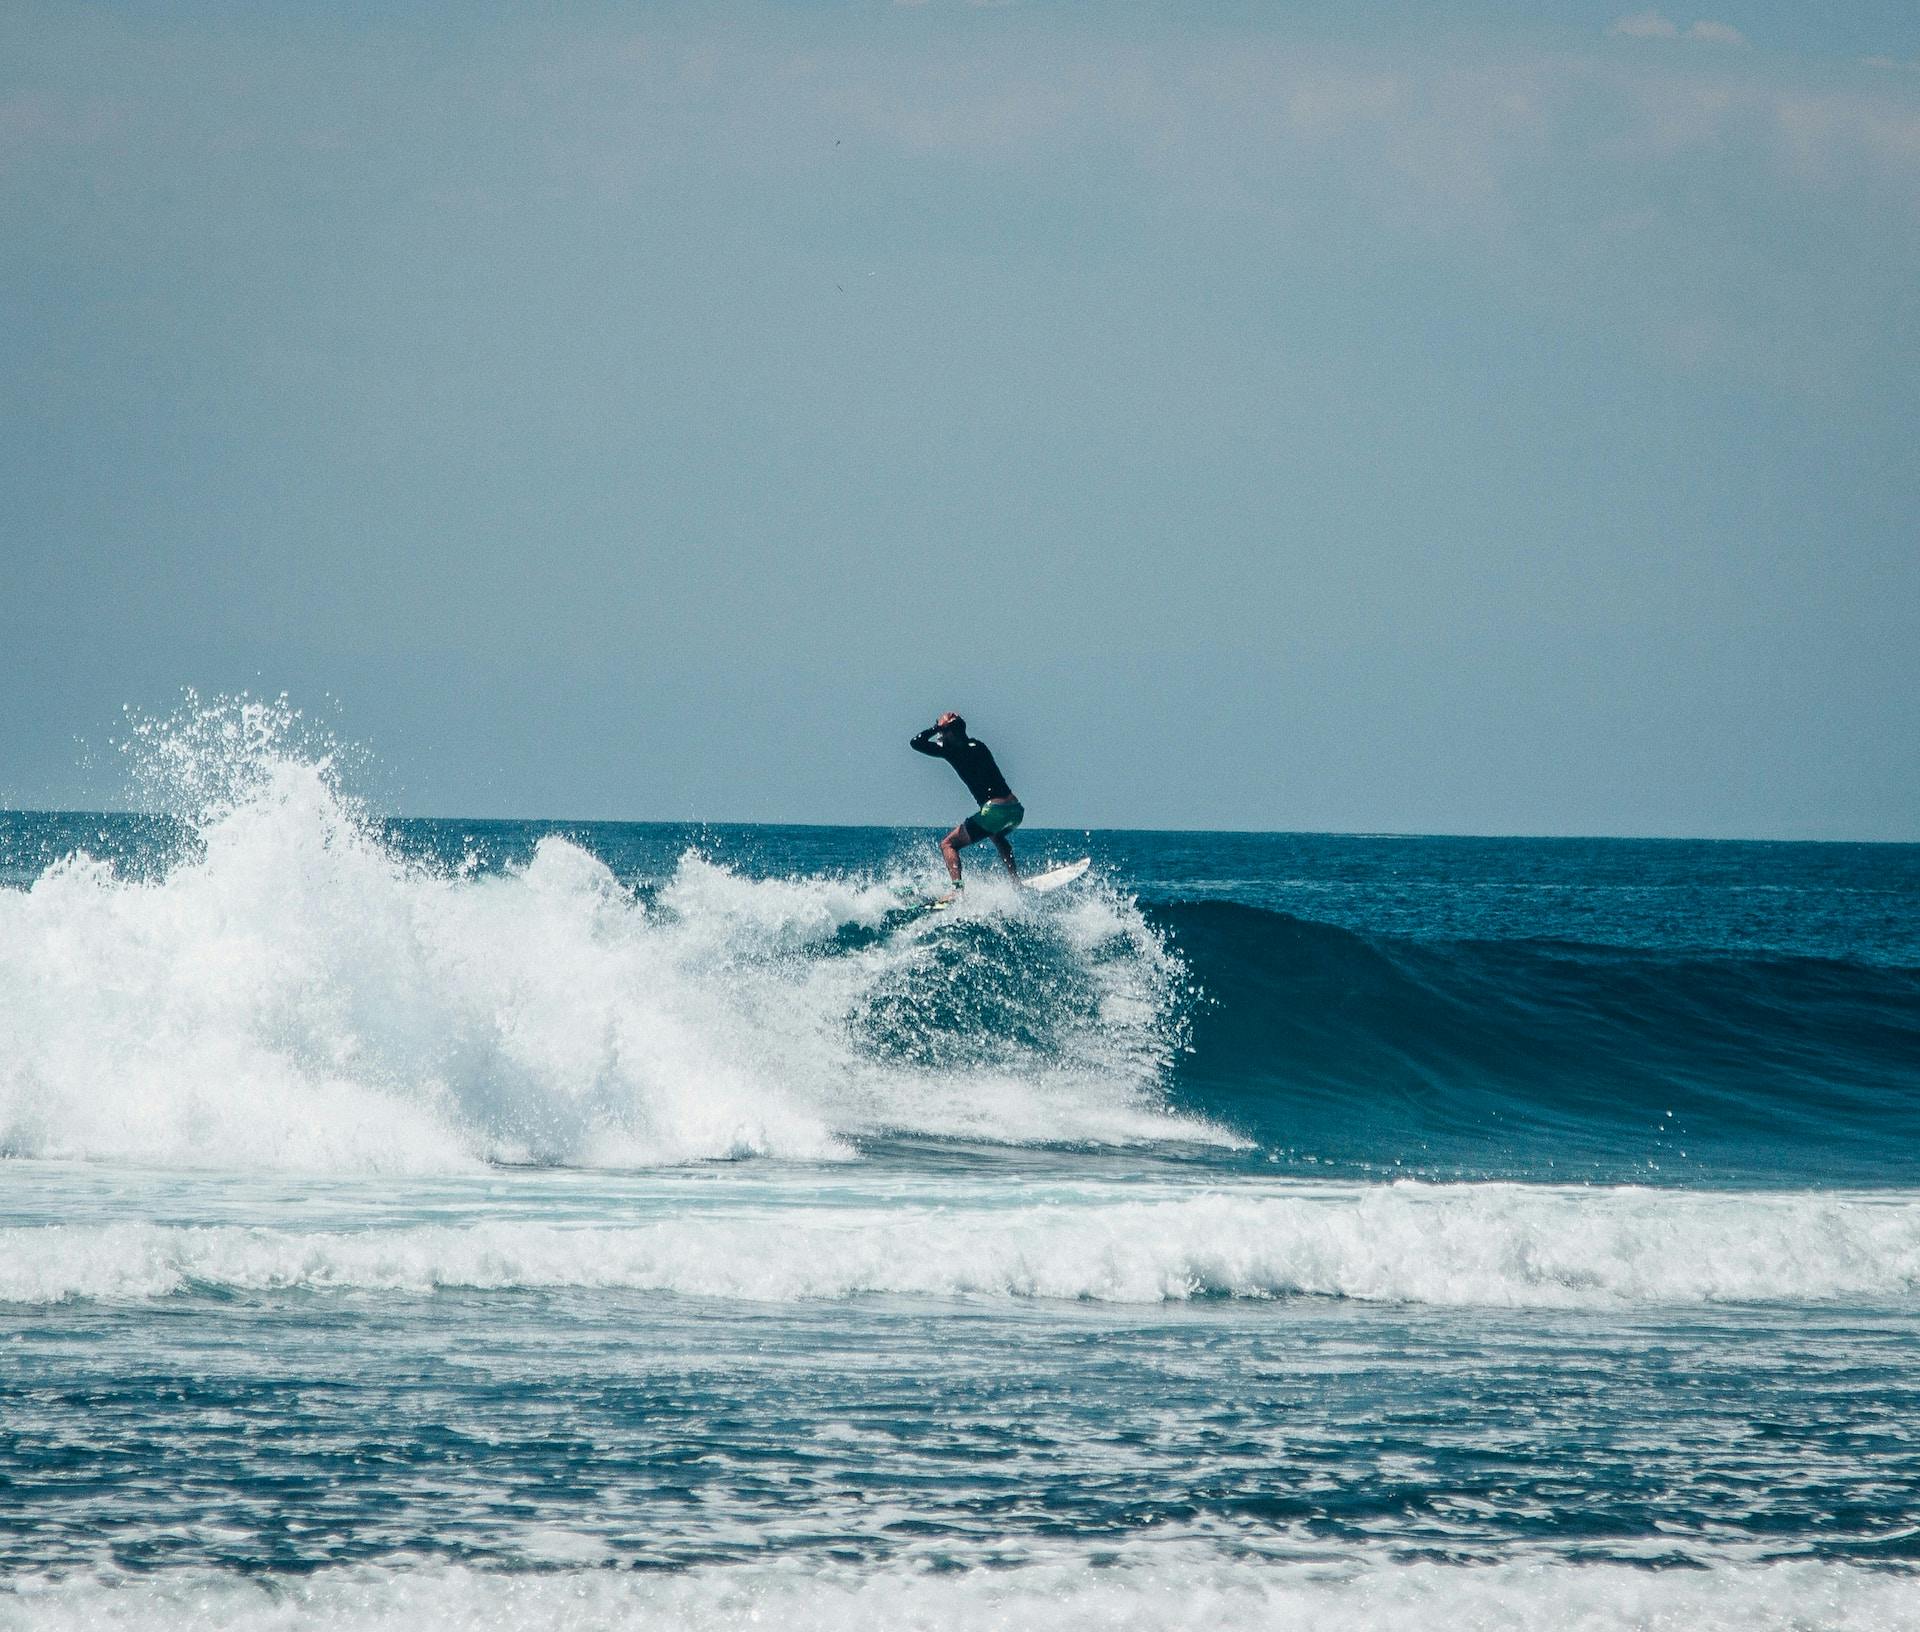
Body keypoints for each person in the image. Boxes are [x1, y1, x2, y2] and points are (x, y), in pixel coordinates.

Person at [909, 712, 1022, 896]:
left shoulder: (949, 750)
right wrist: (947, 726)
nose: (940, 736)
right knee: (996, 836)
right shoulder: (979, 746)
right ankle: (1016, 883)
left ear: (950, 733)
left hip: (994, 811)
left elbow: (916, 743)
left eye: (942, 732)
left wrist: (938, 727)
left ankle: (957, 891)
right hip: (1015, 810)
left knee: (948, 844)